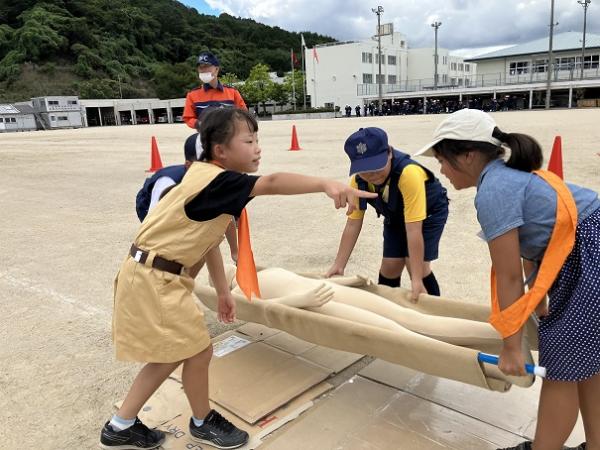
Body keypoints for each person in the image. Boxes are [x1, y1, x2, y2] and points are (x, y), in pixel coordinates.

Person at [99, 108, 376, 450]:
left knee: (181, 352)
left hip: (155, 275)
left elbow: (208, 241)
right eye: (248, 140)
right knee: (194, 351)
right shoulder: (218, 180)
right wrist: (325, 184)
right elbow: (272, 183)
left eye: (258, 139)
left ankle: (123, 425)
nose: (258, 148)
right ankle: (195, 422)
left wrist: (222, 292)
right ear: (221, 151)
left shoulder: (207, 178)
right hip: (155, 279)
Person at [414, 108, 599, 450]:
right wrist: (540, 297)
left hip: (587, 253)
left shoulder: (494, 191)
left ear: (467, 156)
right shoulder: (507, 175)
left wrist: (512, 347)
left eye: (441, 159)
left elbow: (510, 274)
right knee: (586, 359)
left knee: (561, 366)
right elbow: (537, 241)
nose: (440, 170)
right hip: (586, 245)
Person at [327, 127, 449, 301]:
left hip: (428, 213)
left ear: (389, 153)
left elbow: (414, 230)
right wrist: (339, 265)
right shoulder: (357, 181)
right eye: (364, 169)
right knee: (389, 266)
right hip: (395, 213)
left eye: (376, 166)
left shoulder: (409, 174)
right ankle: (389, 308)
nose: (372, 174)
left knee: (418, 268)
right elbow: (353, 224)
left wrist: (415, 279)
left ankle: (436, 313)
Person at [135, 132, 239, 266]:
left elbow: (226, 217)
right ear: (189, 165)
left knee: (207, 239)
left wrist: (235, 253)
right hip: (150, 205)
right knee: (179, 249)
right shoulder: (169, 182)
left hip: (188, 203)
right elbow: (151, 226)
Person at [182, 52, 247, 130]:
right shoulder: (192, 95)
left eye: (206, 66)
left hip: (229, 137)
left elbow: (244, 114)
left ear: (216, 69)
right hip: (205, 138)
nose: (203, 70)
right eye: (200, 67)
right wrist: (200, 124)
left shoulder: (232, 92)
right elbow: (188, 118)